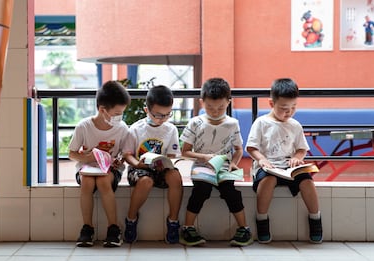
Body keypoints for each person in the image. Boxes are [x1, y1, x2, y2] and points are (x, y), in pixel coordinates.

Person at [246, 78, 323, 244]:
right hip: (267, 168)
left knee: (307, 181)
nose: (289, 112)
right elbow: (251, 148)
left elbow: (302, 148)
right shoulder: (261, 123)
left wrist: (297, 158)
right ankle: (262, 220)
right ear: (271, 103)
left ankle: (315, 219)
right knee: (268, 180)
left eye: (293, 107)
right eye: (283, 108)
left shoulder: (295, 125)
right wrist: (262, 160)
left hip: (289, 168)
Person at [179, 77, 253, 247]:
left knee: (230, 191)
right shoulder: (195, 123)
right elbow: (185, 151)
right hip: (202, 165)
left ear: (228, 102)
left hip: (224, 166)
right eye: (210, 107)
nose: (215, 111)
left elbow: (239, 149)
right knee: (201, 190)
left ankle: (244, 229)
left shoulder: (232, 123)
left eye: (220, 107)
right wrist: (204, 157)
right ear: (201, 102)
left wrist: (234, 163)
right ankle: (188, 228)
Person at [68, 80, 131, 247]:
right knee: (87, 182)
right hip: (86, 169)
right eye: (117, 113)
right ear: (102, 110)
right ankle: (87, 228)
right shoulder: (84, 126)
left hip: (109, 170)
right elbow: (71, 153)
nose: (120, 117)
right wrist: (87, 158)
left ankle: (113, 228)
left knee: (103, 181)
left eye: (122, 113)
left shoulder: (122, 128)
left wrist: (119, 160)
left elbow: (125, 153)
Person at [123, 85, 183, 244]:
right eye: (157, 115)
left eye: (167, 115)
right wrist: (138, 164)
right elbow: (127, 155)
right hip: (139, 168)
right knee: (146, 181)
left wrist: (166, 162)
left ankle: (173, 221)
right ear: (146, 110)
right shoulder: (136, 129)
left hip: (161, 168)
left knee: (175, 176)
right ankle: (131, 218)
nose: (162, 119)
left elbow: (172, 155)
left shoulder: (171, 129)